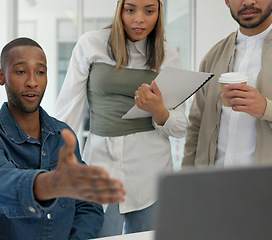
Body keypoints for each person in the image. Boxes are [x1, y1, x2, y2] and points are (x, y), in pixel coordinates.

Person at [0, 37, 126, 240]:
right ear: (1, 76)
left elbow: (88, 204)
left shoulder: (62, 135)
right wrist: (46, 184)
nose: (32, 82)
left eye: (40, 72)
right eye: (21, 72)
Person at [55, 0, 187, 237]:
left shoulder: (167, 56)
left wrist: (159, 110)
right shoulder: (90, 44)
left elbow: (180, 127)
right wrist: (59, 162)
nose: (139, 19)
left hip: (151, 172)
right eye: (130, 10)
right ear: (119, 10)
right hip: (99, 168)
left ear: (159, 13)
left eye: (149, 11)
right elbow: (68, 109)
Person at [182, 0, 272, 167]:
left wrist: (267, 109)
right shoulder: (213, 56)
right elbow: (195, 127)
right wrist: (187, 181)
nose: (248, 2)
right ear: (227, 1)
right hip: (215, 185)